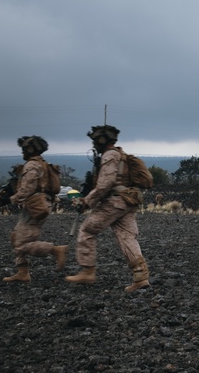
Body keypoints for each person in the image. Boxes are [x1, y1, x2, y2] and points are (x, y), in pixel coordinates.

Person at [65, 125, 150, 292]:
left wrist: (86, 201)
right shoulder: (122, 155)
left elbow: (105, 184)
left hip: (115, 202)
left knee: (87, 230)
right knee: (127, 237)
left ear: (101, 140)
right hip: (128, 201)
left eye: (95, 141)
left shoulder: (109, 156)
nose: (94, 145)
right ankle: (140, 277)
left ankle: (87, 271)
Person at [2, 136, 69, 282]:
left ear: (30, 149)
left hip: (35, 206)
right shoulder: (43, 164)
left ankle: (55, 250)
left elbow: (27, 189)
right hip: (39, 205)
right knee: (16, 236)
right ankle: (23, 272)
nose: (23, 152)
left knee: (21, 244)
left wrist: (10, 199)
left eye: (25, 149)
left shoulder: (32, 165)